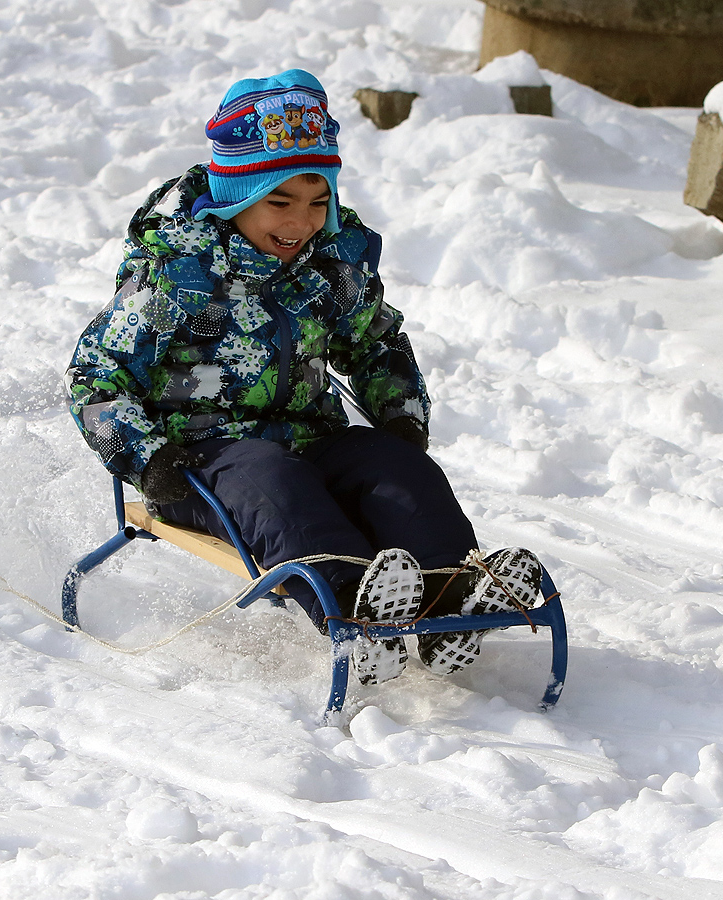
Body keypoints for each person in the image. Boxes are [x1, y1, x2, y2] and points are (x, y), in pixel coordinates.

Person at [65, 69, 543, 685]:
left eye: (319, 202)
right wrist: (149, 458)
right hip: (205, 460)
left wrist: (397, 413)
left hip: (313, 436)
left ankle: (448, 595)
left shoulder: (329, 265)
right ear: (238, 195)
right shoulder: (178, 277)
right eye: (280, 202)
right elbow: (96, 376)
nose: (302, 222)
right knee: (276, 482)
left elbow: (373, 341)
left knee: (398, 471)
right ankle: (350, 605)